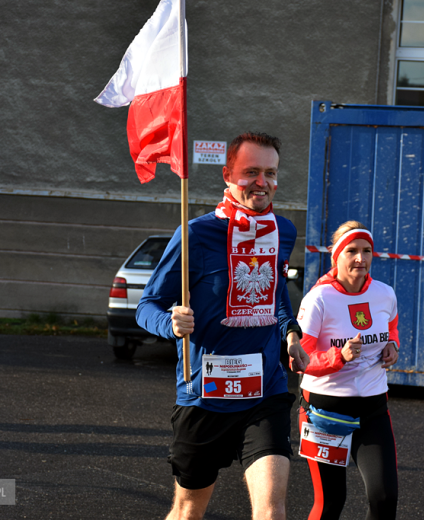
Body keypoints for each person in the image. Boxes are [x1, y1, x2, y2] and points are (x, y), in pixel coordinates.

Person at [137, 132, 310, 520]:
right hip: (206, 396)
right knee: (188, 511)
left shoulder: (282, 232)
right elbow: (146, 306)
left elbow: (274, 293)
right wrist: (170, 322)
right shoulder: (195, 234)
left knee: (272, 510)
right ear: (228, 174)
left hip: (265, 391)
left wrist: (291, 333)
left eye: (270, 172)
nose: (262, 182)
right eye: (251, 172)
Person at [294, 221, 399, 520]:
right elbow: (298, 360)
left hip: (373, 410)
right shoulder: (319, 299)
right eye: (351, 250)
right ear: (335, 255)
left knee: (384, 497)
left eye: (367, 251)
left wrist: (393, 345)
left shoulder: (384, 293)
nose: (360, 259)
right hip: (326, 413)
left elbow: (391, 327)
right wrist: (337, 357)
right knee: (330, 503)